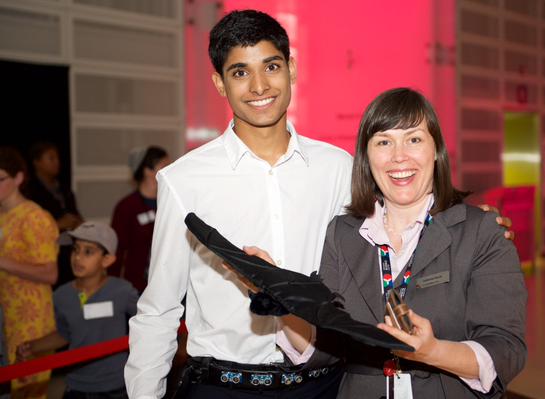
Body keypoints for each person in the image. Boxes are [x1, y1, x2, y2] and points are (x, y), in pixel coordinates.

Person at [125, 10, 353, 399]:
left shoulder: (337, 168)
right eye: (240, 72)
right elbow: (160, 308)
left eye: (271, 66)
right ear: (219, 82)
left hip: (323, 385)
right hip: (224, 387)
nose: (259, 85)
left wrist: (473, 223)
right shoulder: (184, 179)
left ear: (291, 69)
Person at [310, 88, 527, 398]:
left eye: (414, 139)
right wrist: (280, 297)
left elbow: (506, 349)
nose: (399, 156)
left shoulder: (481, 233)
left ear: (435, 150)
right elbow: (327, 343)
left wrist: (433, 351)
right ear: (366, 156)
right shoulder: (342, 234)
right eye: (384, 142)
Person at [17, 221, 139, 399]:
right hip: (76, 386)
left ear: (107, 259)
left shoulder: (122, 291)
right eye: (75, 249)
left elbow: (147, 322)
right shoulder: (61, 295)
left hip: (116, 387)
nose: (78, 257)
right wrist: (32, 347)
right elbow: (65, 334)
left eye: (88, 251)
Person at [0, 146, 59, 398]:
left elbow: (50, 274)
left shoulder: (35, 217)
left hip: (30, 319)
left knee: (28, 391)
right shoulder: (2, 215)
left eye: (0, 178)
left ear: (19, 179)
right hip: (5, 314)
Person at [110, 146, 170, 292]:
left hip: (167, 285)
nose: (171, 170)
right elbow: (116, 251)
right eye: (165, 165)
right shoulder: (127, 207)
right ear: (147, 170)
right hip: (136, 287)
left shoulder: (170, 203)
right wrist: (113, 288)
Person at [25, 141, 84, 288]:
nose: (56, 163)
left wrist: (78, 222)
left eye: (57, 158)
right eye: (51, 158)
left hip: (69, 251)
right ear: (37, 162)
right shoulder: (29, 191)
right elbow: (28, 228)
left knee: (74, 292)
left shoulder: (64, 188)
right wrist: (58, 224)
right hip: (46, 255)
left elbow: (76, 214)